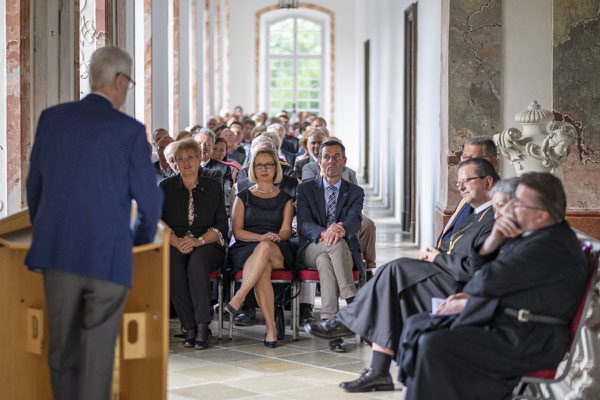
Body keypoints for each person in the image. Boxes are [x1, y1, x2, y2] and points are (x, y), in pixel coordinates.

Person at [25, 46, 162, 400]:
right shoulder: (130, 131)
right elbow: (150, 201)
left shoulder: (52, 119)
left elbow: (34, 187)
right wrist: (135, 241)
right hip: (108, 258)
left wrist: (48, 231)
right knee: (97, 361)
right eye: (128, 84)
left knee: (61, 355)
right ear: (119, 81)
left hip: (57, 253)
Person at [305, 157, 499, 389]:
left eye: (467, 180)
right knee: (389, 285)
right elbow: (461, 251)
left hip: (459, 288)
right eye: (458, 182)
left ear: (488, 183)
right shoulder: (476, 214)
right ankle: (377, 369)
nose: (461, 186)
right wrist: (437, 252)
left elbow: (473, 268)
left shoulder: (494, 219)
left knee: (393, 273)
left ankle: (349, 325)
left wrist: (438, 257)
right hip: (445, 275)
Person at [398, 172, 588, 400]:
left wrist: (469, 300)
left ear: (540, 215)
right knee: (418, 324)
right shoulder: (538, 235)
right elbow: (489, 279)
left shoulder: (545, 246)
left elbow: (482, 281)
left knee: (433, 343)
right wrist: (494, 241)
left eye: (518, 204)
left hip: (528, 339)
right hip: (514, 325)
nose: (510, 209)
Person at [296, 140, 365, 352]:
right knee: (333, 245)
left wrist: (340, 228)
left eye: (336, 157)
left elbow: (355, 220)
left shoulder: (355, 191)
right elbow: (305, 223)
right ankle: (352, 301)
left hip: (334, 250)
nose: (331, 161)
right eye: (326, 157)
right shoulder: (306, 189)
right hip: (311, 246)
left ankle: (331, 324)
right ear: (319, 162)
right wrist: (324, 232)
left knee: (326, 261)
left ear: (344, 161)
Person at [160, 139, 228, 349]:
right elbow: (158, 220)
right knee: (171, 263)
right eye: (180, 159)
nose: (186, 162)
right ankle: (188, 325)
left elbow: (221, 227)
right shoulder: (165, 187)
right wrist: (177, 241)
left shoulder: (213, 186)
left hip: (207, 243)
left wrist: (197, 241)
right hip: (176, 241)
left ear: (199, 159)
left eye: (190, 157)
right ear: (175, 163)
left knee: (197, 262)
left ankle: (202, 325)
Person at [225, 148, 296, 348]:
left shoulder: (285, 199)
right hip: (246, 248)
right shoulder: (243, 196)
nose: (264, 169)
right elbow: (238, 232)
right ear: (253, 168)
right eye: (259, 165)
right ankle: (271, 329)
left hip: (279, 249)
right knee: (262, 268)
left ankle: (239, 297)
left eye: (268, 164)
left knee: (265, 248)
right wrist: (260, 237)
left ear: (276, 168)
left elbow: (285, 231)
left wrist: (270, 238)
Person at [437, 137, 499, 249]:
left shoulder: (487, 194)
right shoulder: (467, 186)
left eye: (473, 159)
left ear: (493, 162)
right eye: (464, 158)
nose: (466, 163)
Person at [193, 128, 235, 214]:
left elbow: (227, 198)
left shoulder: (223, 168)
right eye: (199, 143)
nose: (202, 148)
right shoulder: (185, 167)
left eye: (207, 145)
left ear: (212, 147)